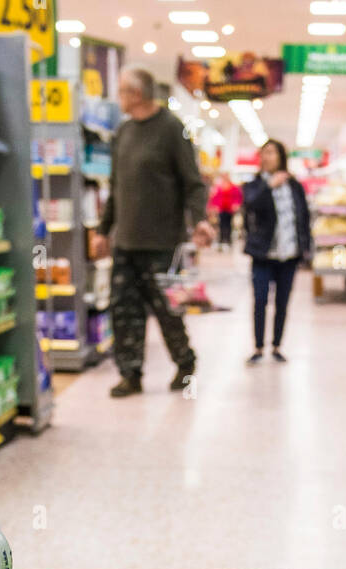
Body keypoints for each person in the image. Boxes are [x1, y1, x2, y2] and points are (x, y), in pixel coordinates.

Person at [91, 67, 214, 399]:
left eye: (121, 92)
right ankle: (130, 374)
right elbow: (116, 188)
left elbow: (193, 182)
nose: (119, 100)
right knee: (123, 311)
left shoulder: (173, 129)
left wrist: (200, 219)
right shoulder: (124, 133)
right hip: (126, 242)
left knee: (168, 310)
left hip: (162, 242)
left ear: (137, 94)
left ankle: (185, 363)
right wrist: (103, 231)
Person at [242, 139, 310, 364]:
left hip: (289, 255)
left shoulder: (294, 186)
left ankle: (277, 345)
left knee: (283, 302)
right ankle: (259, 346)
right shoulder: (254, 185)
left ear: (281, 156)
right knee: (260, 300)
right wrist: (269, 185)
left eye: (272, 153)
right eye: (264, 153)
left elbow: (303, 217)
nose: (267, 157)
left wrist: (305, 247)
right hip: (263, 255)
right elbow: (250, 204)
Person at [209, 173, 243, 249]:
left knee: (229, 225)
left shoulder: (234, 187)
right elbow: (215, 198)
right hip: (221, 209)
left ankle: (228, 240)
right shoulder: (219, 187)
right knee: (221, 224)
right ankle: (221, 240)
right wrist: (214, 206)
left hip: (229, 209)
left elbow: (238, 197)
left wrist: (236, 205)